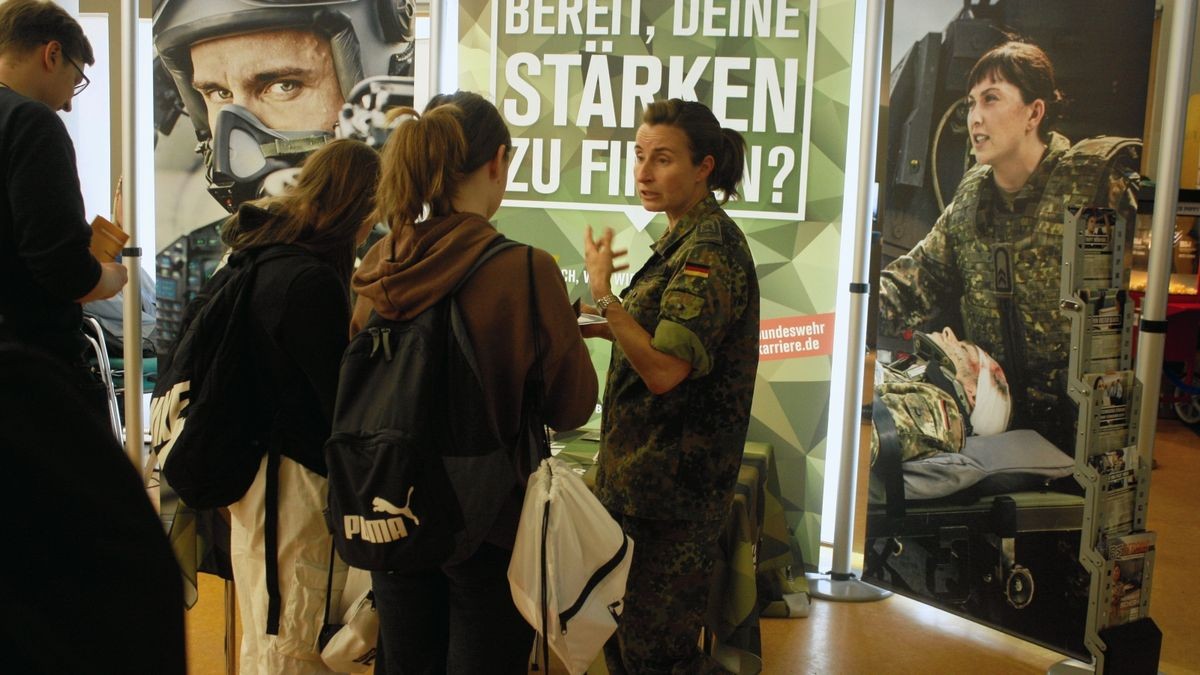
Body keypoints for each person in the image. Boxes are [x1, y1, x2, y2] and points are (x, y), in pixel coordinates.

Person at [351, 91, 596, 674]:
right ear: (498, 161)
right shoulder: (524, 269)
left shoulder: (381, 262)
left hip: (391, 504)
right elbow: (571, 407)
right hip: (490, 521)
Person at [878, 40, 1140, 452]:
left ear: (1034, 113)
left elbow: (1116, 327)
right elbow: (914, 281)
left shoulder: (1093, 190)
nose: (975, 117)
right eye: (971, 103)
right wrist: (840, 313)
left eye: (991, 98)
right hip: (994, 422)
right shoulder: (970, 200)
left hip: (1079, 435)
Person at [582, 98, 760, 674]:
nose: (644, 172)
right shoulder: (681, 239)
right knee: (625, 644)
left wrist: (605, 296)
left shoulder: (709, 249)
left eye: (662, 159)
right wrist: (599, 320)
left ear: (704, 167)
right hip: (642, 484)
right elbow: (656, 337)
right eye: (639, 156)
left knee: (655, 654)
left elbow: (663, 371)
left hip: (671, 495)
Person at [219, 138, 381, 674]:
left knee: (268, 635)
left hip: (259, 478)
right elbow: (337, 401)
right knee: (293, 642)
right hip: (292, 487)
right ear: (359, 209)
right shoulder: (309, 280)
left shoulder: (260, 254)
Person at [0, 0, 128, 417]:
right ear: (52, 54)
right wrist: (112, 275)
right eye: (76, 80)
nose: (70, 104)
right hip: (28, 380)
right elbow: (64, 271)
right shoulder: (29, 122)